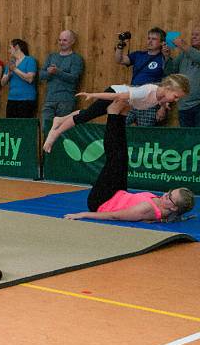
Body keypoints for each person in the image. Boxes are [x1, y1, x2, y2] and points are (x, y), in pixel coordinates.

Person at [64, 99, 194, 223]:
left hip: (102, 201)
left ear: (174, 208)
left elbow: (115, 216)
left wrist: (83, 214)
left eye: (170, 197)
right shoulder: (165, 206)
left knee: (114, 159)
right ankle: (121, 115)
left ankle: (113, 114)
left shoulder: (147, 210)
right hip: (119, 193)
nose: (166, 194)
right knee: (122, 156)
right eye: (170, 191)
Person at [43, 74, 190, 153]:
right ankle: (55, 134)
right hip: (114, 93)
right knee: (85, 117)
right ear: (168, 88)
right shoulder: (147, 91)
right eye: (176, 97)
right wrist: (95, 95)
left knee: (89, 113)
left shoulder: (162, 94)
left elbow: (161, 99)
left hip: (120, 97)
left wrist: (164, 105)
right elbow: (118, 97)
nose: (176, 100)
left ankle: (60, 119)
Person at [115, 27, 170, 126]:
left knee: (145, 131)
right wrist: (120, 45)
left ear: (162, 43)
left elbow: (167, 84)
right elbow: (120, 60)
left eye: (154, 39)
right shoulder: (138, 55)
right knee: (119, 126)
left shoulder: (163, 58)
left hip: (149, 101)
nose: (150, 41)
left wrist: (163, 107)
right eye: (149, 38)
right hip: (133, 97)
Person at [39, 30, 84, 129]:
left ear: (73, 41)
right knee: (45, 129)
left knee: (61, 131)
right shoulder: (51, 56)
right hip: (49, 99)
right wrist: (49, 72)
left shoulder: (76, 58)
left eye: (64, 40)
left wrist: (58, 72)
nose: (61, 43)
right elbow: (41, 75)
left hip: (66, 101)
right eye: (59, 40)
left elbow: (74, 78)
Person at [164, 29, 200, 127]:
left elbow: (197, 57)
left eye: (197, 35)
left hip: (198, 105)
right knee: (187, 140)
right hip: (183, 106)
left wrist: (181, 44)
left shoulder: (187, 51)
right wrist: (167, 57)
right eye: (192, 34)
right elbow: (171, 72)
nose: (193, 37)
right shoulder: (184, 55)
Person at [0, 39, 38, 118]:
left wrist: (14, 69)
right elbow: (2, 83)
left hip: (26, 100)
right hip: (12, 99)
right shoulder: (11, 63)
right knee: (11, 126)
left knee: (24, 126)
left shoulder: (30, 60)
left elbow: (30, 79)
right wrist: (9, 74)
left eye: (10, 48)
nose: (9, 51)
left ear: (16, 47)